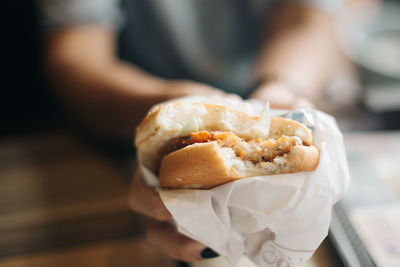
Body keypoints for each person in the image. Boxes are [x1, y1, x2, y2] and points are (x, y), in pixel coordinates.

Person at [40, 0, 343, 262]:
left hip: (271, 92)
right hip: (122, 123)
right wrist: (160, 116)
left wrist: (281, 92)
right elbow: (76, 55)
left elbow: (309, 20)